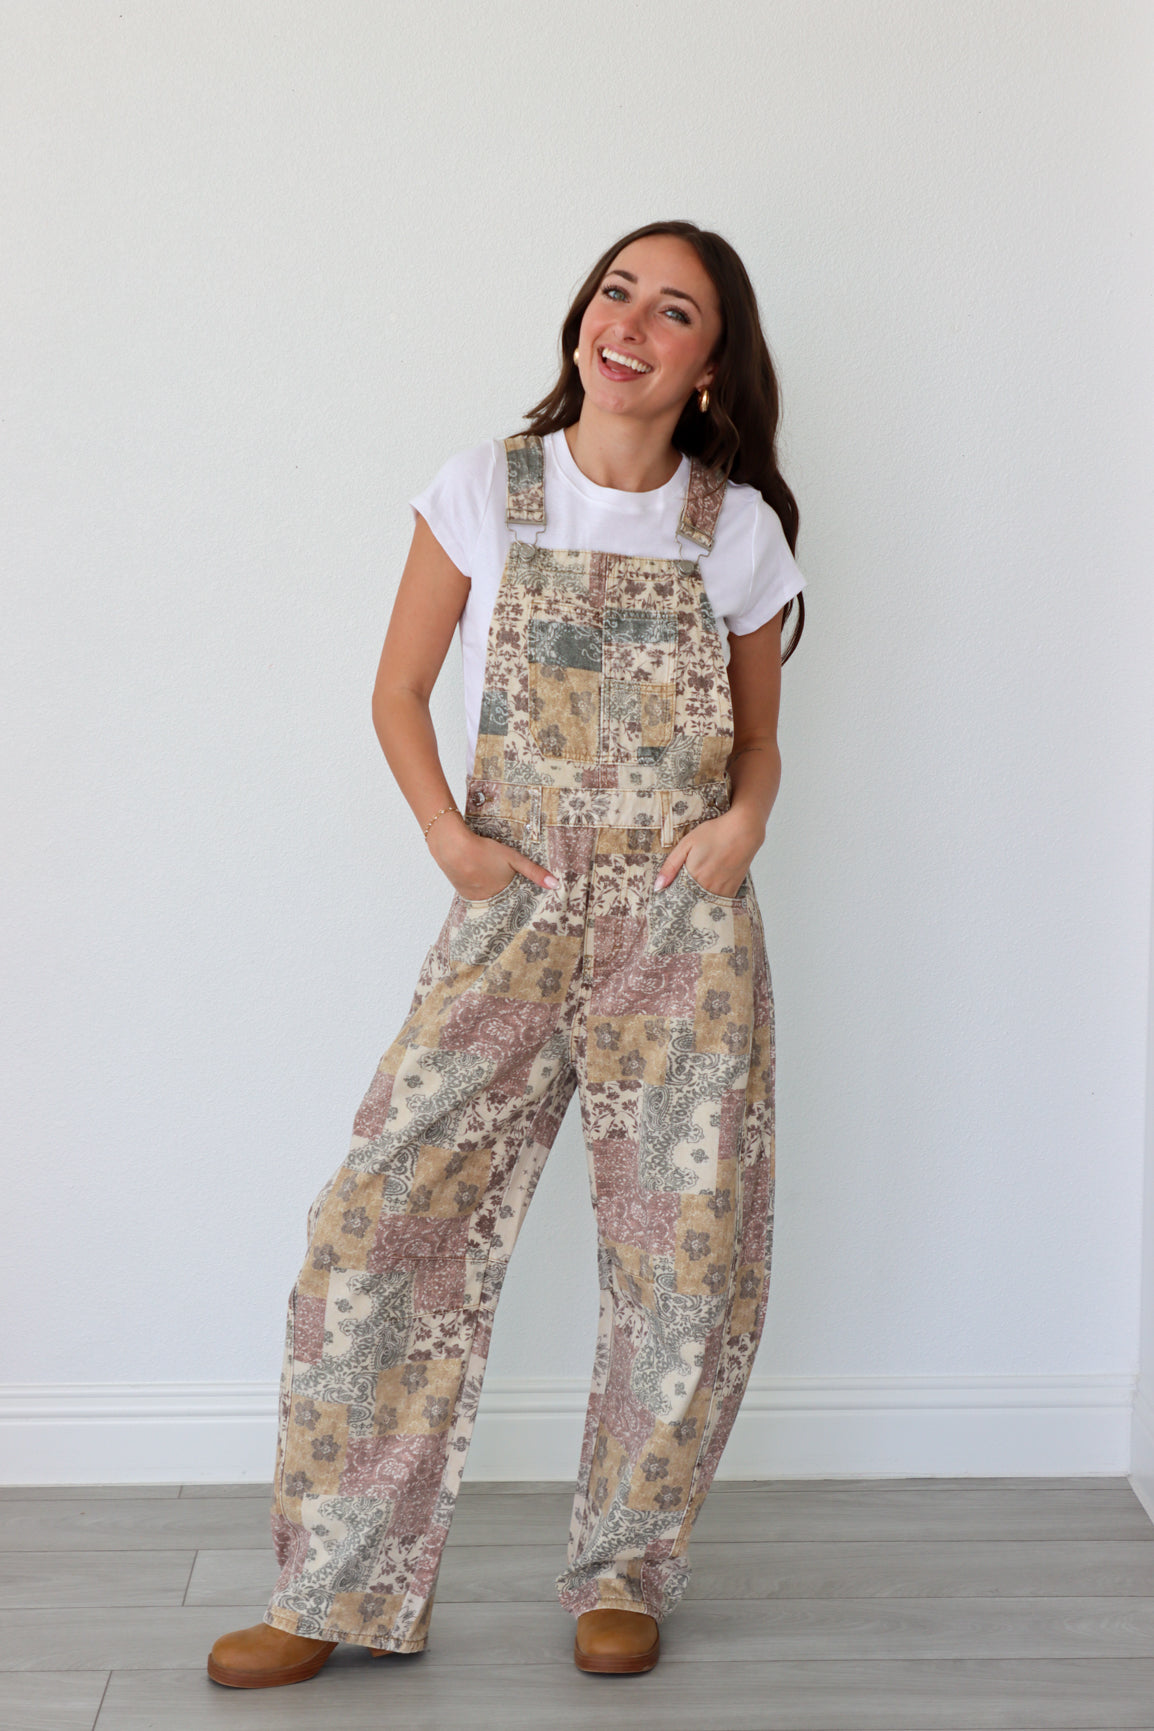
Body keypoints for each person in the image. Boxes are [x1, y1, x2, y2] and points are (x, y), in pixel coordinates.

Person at [208, 220, 806, 1690]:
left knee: (684, 1258)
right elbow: (400, 690)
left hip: (680, 931)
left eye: (673, 312)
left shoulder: (731, 528)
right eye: (617, 291)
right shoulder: (487, 487)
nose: (631, 324)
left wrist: (741, 828)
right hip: (513, 908)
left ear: (709, 366)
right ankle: (335, 1587)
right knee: (380, 1225)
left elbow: (761, 746)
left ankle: (625, 1569)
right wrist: (449, 844)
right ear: (582, 315)